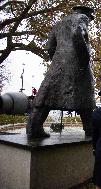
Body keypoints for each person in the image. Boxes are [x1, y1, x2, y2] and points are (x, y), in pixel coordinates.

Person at [26, 6, 95, 138]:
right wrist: (84, 60)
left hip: (58, 64)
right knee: (86, 97)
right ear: (88, 15)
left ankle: (34, 128)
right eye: (91, 19)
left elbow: (50, 46)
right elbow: (77, 34)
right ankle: (90, 129)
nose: (90, 22)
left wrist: (58, 61)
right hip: (78, 63)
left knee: (46, 96)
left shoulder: (59, 23)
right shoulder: (82, 18)